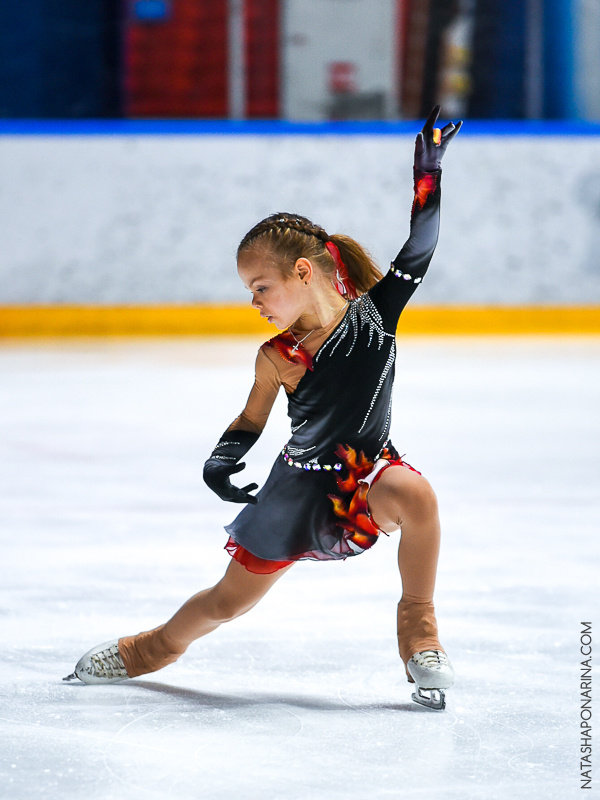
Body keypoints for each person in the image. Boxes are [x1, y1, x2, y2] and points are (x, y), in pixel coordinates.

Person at [65, 107, 462, 711]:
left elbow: (422, 241)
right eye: (249, 292)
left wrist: (428, 171)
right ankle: (149, 649)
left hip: (365, 474)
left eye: (260, 287)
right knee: (228, 602)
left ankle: (420, 633)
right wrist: (222, 460)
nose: (254, 302)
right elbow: (252, 419)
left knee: (417, 495)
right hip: (296, 486)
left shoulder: (376, 315)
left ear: (303, 272)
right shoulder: (276, 355)